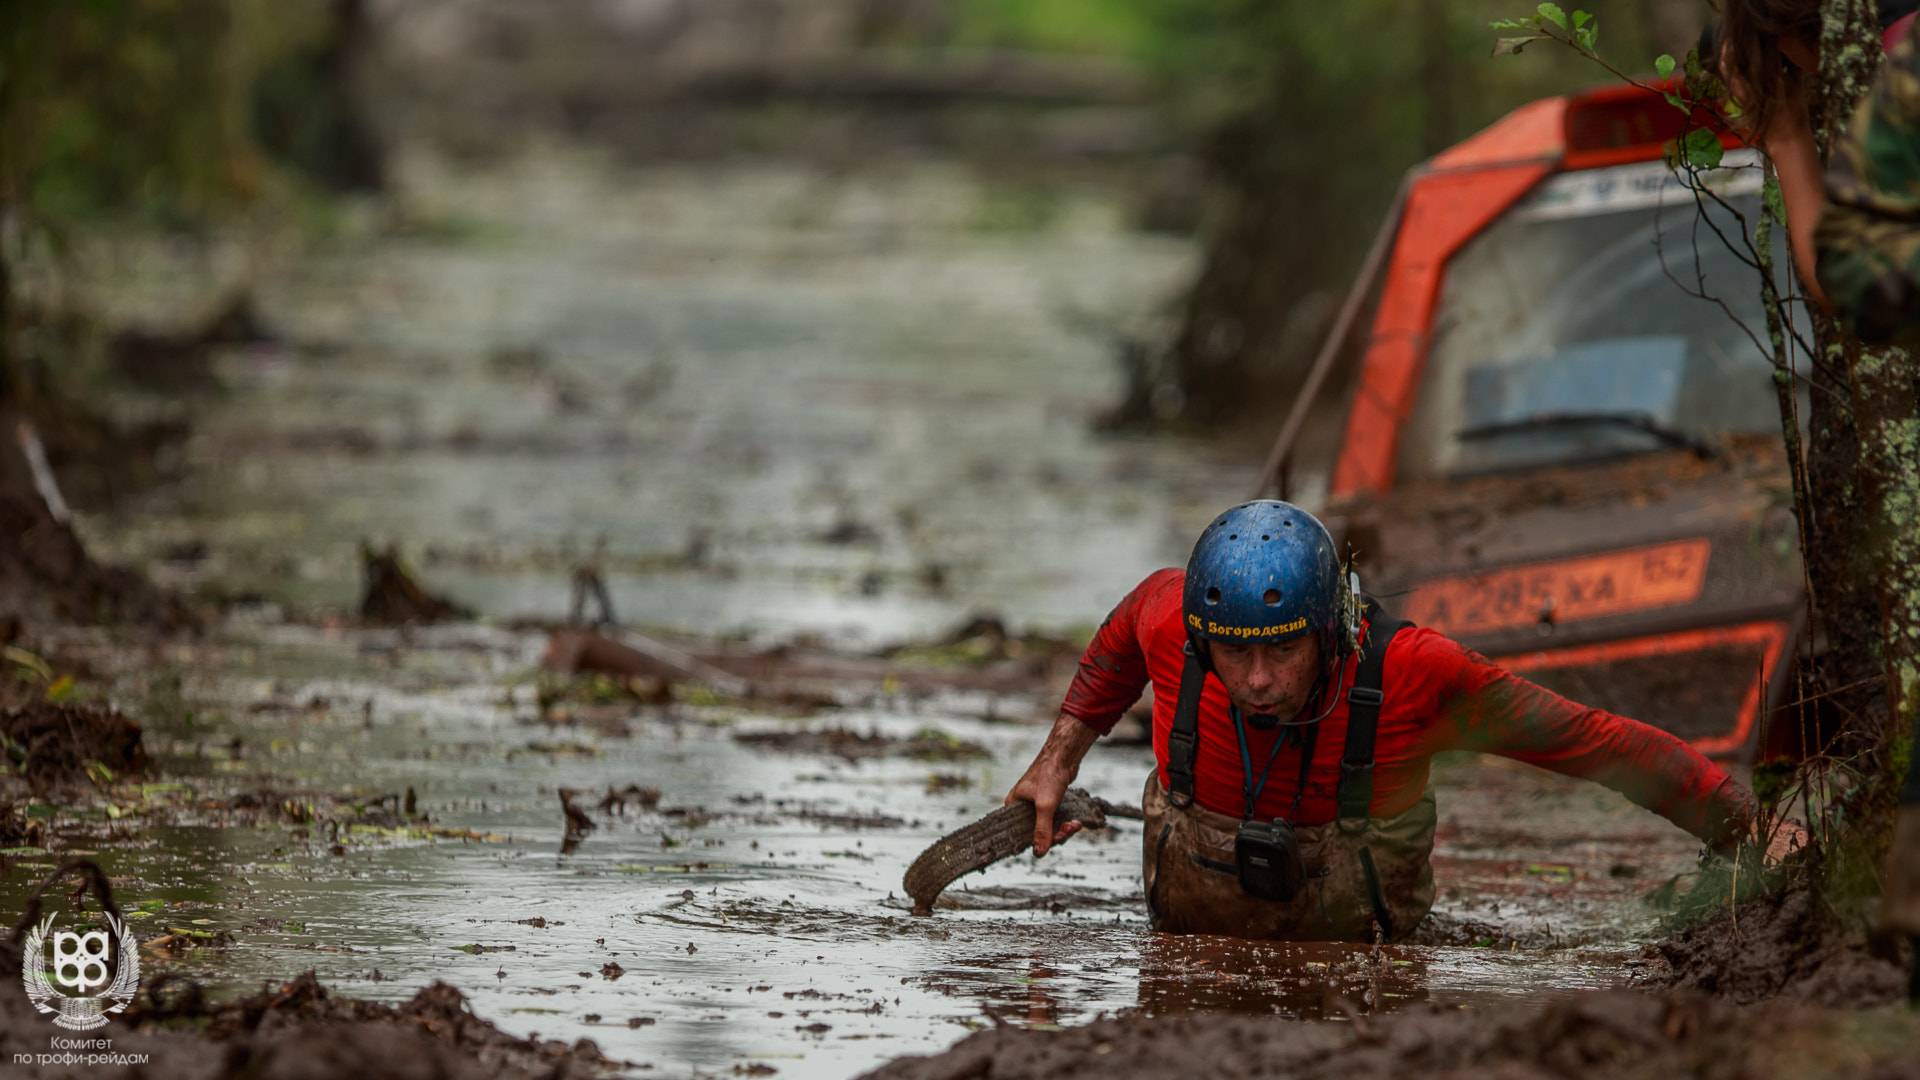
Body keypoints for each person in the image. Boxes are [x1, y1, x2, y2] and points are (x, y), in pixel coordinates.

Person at [1004, 500, 1773, 942]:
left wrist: (1750, 829)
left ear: (1329, 629)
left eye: (1282, 651)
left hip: (1367, 973)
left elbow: (1598, 745)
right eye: (1234, 656)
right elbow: (1117, 643)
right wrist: (1058, 759)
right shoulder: (1170, 616)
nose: (1258, 682)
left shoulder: (1419, 675)